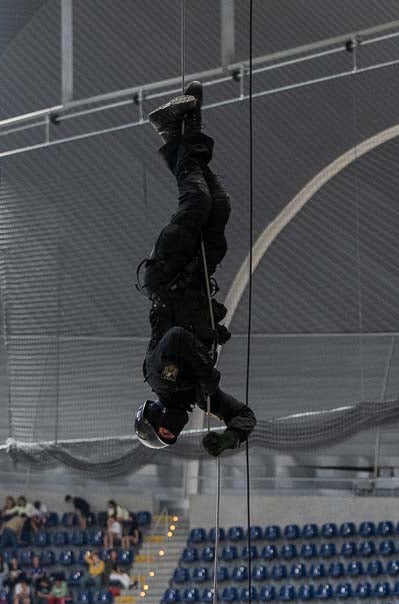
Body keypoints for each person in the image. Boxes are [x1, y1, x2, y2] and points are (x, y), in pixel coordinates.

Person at [133, 81, 255, 458]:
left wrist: (207, 376)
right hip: (200, 273)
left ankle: (175, 129)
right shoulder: (201, 397)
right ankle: (177, 128)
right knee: (219, 204)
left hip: (169, 274)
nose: (173, 428)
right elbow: (245, 415)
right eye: (172, 435)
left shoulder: (161, 378)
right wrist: (229, 436)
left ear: (154, 413)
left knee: (197, 202)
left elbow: (176, 340)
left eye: (163, 427)